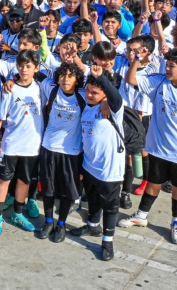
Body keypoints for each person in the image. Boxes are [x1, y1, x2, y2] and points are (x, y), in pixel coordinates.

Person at [121, 47, 177, 245]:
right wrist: (137, 60)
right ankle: (141, 215)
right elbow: (131, 80)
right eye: (167, 64)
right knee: (153, 183)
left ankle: (176, 222)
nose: (167, 68)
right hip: (158, 148)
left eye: (172, 66)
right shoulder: (158, 82)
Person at [72, 63, 125, 260]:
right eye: (88, 91)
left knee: (110, 205)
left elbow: (115, 96)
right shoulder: (87, 107)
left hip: (109, 170)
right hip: (89, 165)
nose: (89, 95)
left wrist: (101, 78)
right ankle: (93, 226)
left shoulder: (114, 108)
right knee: (93, 199)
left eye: (95, 92)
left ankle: (108, 241)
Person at [0, 49, 43, 237]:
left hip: (33, 146)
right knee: (4, 180)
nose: (24, 70)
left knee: (24, 180)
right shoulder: (9, 89)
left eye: (28, 66)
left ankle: (18, 214)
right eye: (21, 66)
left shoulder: (41, 88)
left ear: (36, 68)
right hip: (11, 144)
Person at [37, 62, 85, 242]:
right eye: (63, 75)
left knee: (66, 192)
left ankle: (62, 223)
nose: (66, 79)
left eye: (70, 76)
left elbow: (103, 91)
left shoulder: (83, 96)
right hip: (49, 147)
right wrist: (13, 80)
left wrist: (104, 101)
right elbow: (34, 71)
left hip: (72, 153)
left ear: (77, 80)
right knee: (48, 190)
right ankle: (48, 221)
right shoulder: (51, 88)